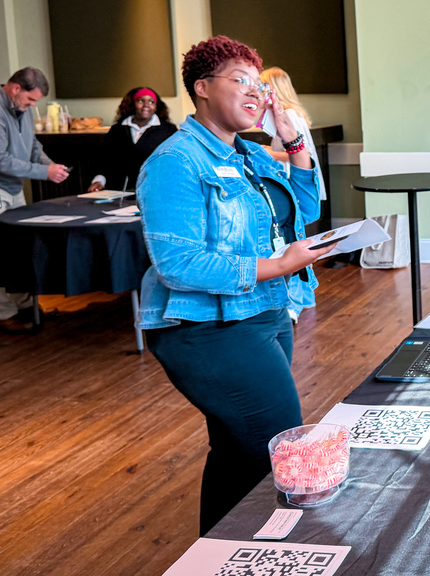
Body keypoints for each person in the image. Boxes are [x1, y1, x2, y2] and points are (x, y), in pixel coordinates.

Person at [136, 36, 322, 535]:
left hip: (263, 313)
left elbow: (303, 212)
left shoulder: (251, 155)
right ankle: (273, 553)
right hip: (206, 327)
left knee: (238, 451)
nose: (254, 93)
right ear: (201, 88)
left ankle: (217, 555)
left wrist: (296, 145)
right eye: (239, 80)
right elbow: (179, 264)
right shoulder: (175, 161)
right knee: (275, 449)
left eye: (258, 85)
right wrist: (279, 267)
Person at [0, 67, 69, 333]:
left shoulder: (24, 110)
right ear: (16, 88)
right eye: (30, 100)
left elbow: (33, 147)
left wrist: (52, 166)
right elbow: (2, 160)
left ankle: (27, 307)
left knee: (17, 250)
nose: (31, 106)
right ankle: (5, 315)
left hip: (14, 188)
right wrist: (43, 172)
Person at [258, 67, 326, 323]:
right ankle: (302, 297)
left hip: (295, 181)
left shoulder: (288, 116)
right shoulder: (287, 114)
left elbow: (299, 154)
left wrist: (267, 152)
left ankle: (298, 298)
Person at [86, 87, 177, 193]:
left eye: (151, 102)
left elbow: (172, 164)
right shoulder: (117, 130)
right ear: (132, 104)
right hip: (119, 192)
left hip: (155, 191)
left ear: (156, 107)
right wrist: (98, 181)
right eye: (141, 101)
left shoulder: (168, 130)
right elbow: (104, 161)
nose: (146, 105)